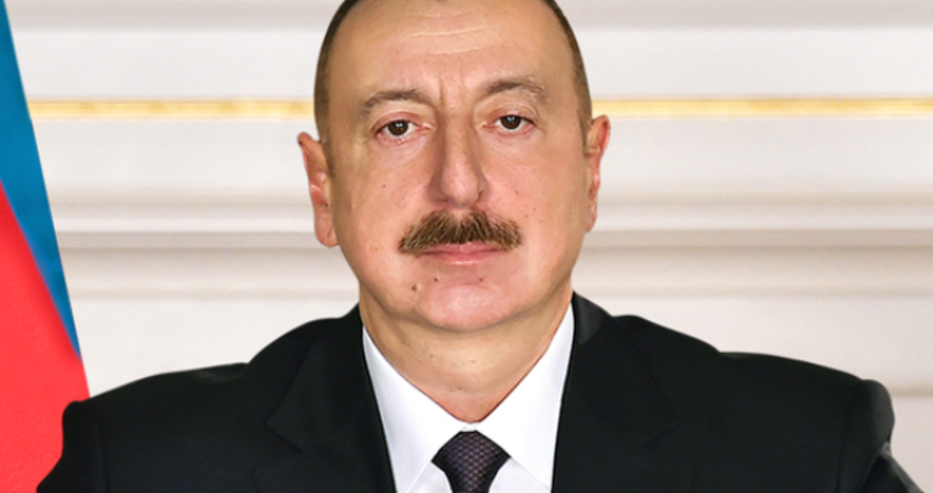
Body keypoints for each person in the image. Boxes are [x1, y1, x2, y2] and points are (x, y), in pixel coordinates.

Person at [40, 0, 921, 492]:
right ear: (323, 186)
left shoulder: (805, 456)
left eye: (509, 121)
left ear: (590, 168)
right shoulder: (139, 467)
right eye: (397, 126)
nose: (458, 184)